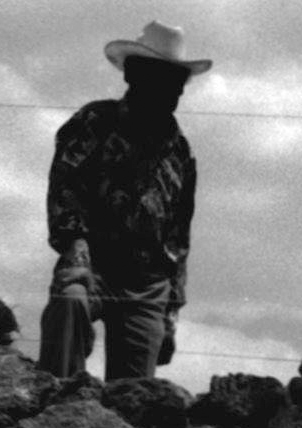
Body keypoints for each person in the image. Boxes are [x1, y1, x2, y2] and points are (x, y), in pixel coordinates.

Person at [38, 21, 207, 380]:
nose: (172, 93)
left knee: (135, 396)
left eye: (178, 84)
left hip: (148, 283)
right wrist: (76, 250)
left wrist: (170, 314)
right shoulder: (94, 122)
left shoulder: (180, 152)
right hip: (92, 263)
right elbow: (65, 187)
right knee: (70, 303)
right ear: (135, 76)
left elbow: (178, 237)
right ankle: (55, 404)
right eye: (162, 81)